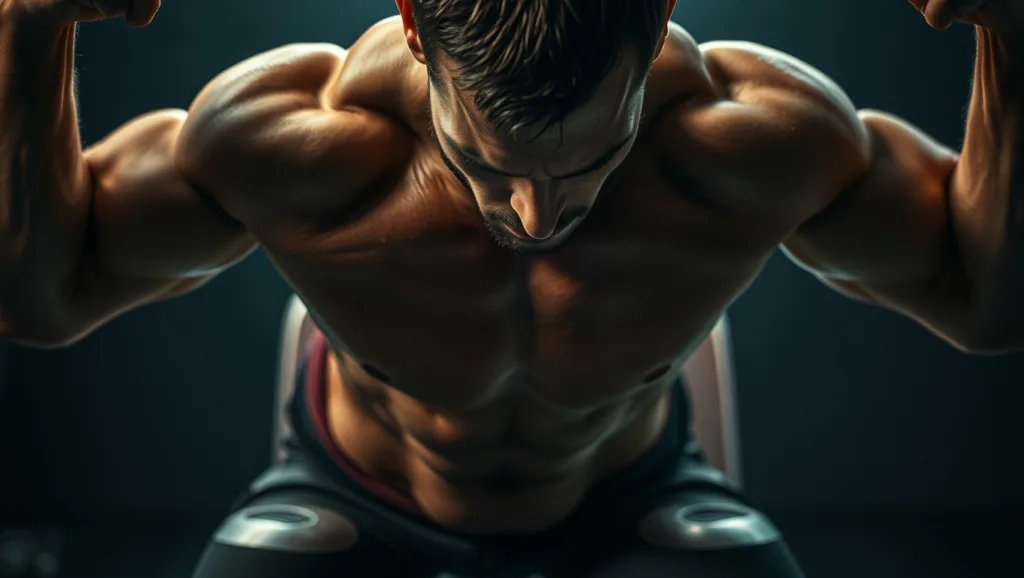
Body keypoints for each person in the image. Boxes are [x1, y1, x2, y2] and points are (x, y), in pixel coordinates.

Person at [1, 0, 1022, 576]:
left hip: (630, 501)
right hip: (354, 497)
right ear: (413, 26)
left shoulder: (751, 141)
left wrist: (1010, 37)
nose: (537, 220)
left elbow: (983, 300)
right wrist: (28, 28)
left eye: (589, 165)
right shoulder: (299, 143)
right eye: (488, 169)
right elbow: (44, 298)